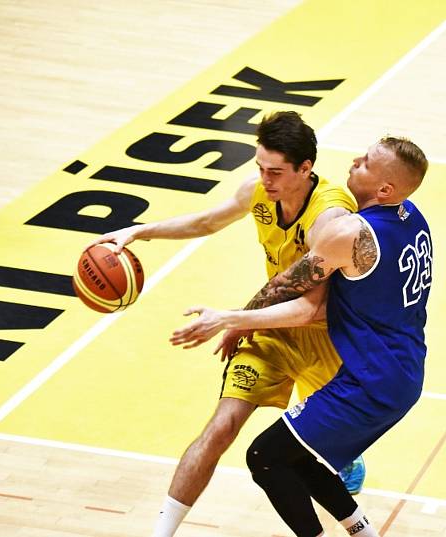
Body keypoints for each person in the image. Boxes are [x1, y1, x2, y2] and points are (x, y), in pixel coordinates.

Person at [89, 111, 366, 537]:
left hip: (330, 336)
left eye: (275, 171)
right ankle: (161, 532)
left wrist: (233, 319)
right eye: (260, 167)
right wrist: (138, 232)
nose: (265, 179)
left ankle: (344, 471)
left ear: (305, 168)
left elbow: (310, 307)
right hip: (273, 330)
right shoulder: (258, 193)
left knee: (318, 459)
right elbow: (207, 221)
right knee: (221, 427)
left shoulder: (330, 216)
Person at [170, 136, 432, 536]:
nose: (354, 161)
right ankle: (362, 531)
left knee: (265, 457)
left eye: (365, 163)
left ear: (385, 189)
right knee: (302, 458)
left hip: (371, 380)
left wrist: (230, 319)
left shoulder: (351, 233)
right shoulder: (412, 217)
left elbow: (293, 291)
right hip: (403, 370)